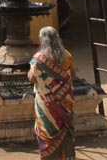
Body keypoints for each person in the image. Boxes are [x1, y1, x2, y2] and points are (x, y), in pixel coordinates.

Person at [28, 26, 76, 160]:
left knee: (46, 130)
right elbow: (73, 74)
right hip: (65, 102)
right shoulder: (67, 55)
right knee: (65, 129)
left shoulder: (39, 59)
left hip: (46, 102)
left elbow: (32, 78)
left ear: (43, 40)